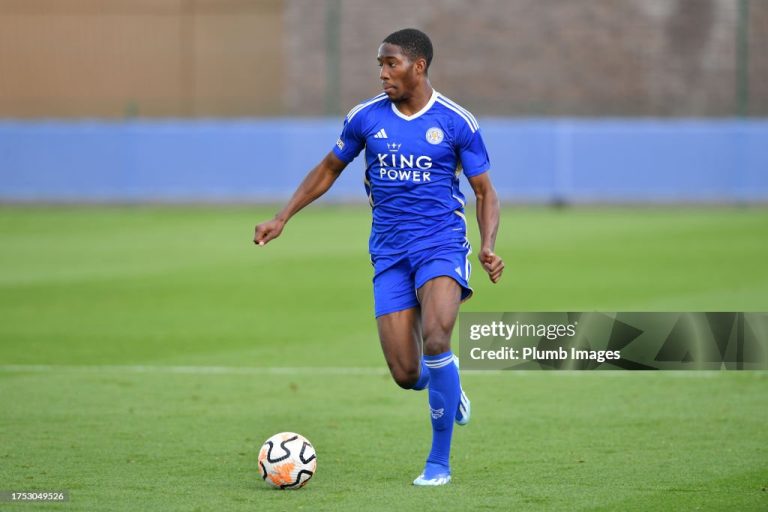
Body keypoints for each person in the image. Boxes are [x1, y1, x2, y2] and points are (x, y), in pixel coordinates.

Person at [254, 28, 503, 486]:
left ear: (418, 66)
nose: (383, 73)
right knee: (408, 374)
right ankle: (449, 386)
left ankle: (438, 463)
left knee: (436, 339)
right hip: (389, 252)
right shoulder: (365, 118)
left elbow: (484, 191)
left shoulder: (455, 121)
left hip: (441, 244)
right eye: (380, 65)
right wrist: (282, 216)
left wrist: (487, 245)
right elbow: (330, 168)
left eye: (391, 64)